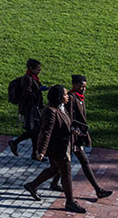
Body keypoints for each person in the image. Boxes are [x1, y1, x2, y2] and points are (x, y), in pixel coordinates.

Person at [24, 85, 87, 214]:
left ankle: (32, 185)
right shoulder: (51, 111)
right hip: (57, 149)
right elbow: (46, 132)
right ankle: (70, 202)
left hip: (63, 146)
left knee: (54, 169)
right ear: (59, 97)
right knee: (66, 172)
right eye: (65, 94)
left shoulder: (62, 108)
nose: (68, 96)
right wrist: (41, 151)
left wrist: (72, 131)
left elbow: (63, 126)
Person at [49, 75, 113, 199]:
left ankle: (50, 183)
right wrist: (74, 131)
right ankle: (98, 190)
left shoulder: (79, 97)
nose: (83, 89)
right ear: (74, 85)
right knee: (82, 162)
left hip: (75, 135)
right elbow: (68, 118)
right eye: (81, 86)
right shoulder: (71, 98)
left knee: (58, 167)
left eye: (85, 87)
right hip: (72, 136)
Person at [9, 59, 47, 159]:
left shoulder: (33, 77)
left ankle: (34, 153)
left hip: (33, 107)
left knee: (35, 131)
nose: (39, 71)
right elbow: (27, 93)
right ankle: (15, 142)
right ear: (31, 68)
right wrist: (38, 91)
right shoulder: (27, 79)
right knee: (35, 130)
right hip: (29, 108)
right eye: (37, 69)